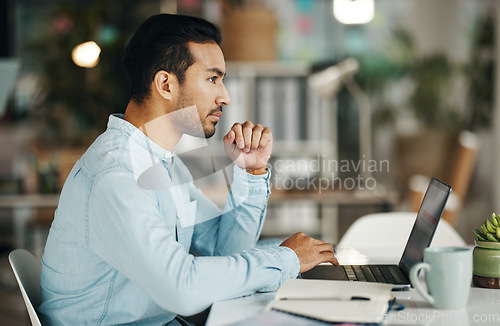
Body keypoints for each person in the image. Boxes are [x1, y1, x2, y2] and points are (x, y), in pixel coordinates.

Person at [38, 13, 338, 325]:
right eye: (213, 79)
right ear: (166, 84)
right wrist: (285, 259)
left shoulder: (165, 166)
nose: (225, 96)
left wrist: (251, 173)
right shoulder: (117, 174)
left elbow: (224, 254)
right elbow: (181, 289)